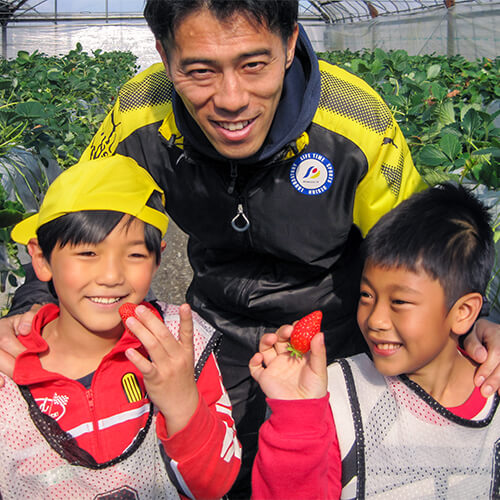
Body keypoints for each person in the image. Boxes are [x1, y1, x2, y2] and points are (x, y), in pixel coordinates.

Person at [0, 1, 499, 496]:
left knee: (327, 471)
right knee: (217, 472)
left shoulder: (355, 120)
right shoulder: (141, 111)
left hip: (335, 332)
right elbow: (80, 219)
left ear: (288, 45)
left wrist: (478, 321)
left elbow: (421, 251)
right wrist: (33, 305)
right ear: (164, 55)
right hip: (216, 326)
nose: (232, 99)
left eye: (253, 64)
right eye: (199, 70)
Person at [0, 155, 241, 499]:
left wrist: (183, 403)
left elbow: (214, 485)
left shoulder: (180, 343)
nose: (112, 276)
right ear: (41, 258)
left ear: (158, 258)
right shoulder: (8, 375)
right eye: (87, 254)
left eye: (135, 255)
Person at [250, 183, 499, 499]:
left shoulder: (494, 391)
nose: (375, 319)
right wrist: (296, 416)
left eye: (399, 302)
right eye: (366, 295)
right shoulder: (333, 396)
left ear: (464, 312)